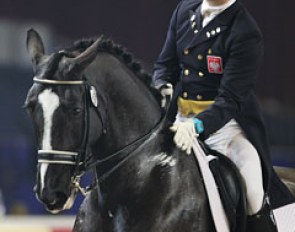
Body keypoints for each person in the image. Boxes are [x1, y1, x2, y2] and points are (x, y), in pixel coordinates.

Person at [152, 0, 295, 231]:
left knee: (253, 193)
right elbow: (164, 64)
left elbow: (230, 99)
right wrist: (162, 85)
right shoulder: (184, 10)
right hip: (178, 122)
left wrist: (197, 126)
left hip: (225, 130)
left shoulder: (245, 31)